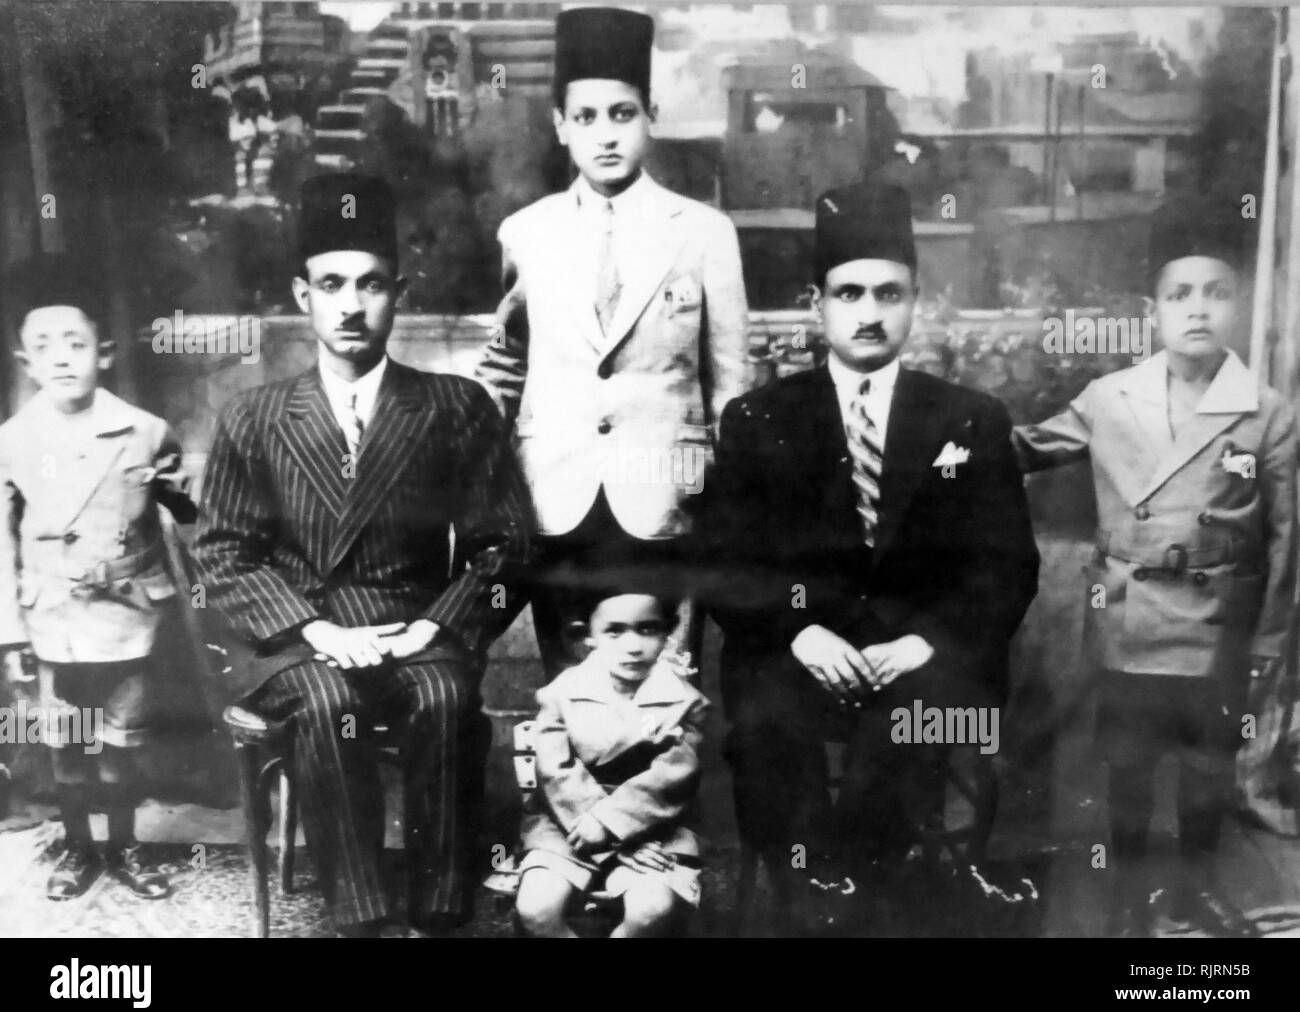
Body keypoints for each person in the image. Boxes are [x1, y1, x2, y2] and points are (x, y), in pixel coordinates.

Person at [193, 173, 532, 937]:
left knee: (445, 698)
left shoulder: (453, 406)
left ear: (399, 293)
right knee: (327, 701)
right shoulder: (256, 415)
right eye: (331, 284)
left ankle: (440, 910)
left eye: (371, 284)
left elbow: (505, 545)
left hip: (410, 631)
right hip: (299, 643)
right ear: (300, 295)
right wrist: (317, 632)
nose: (351, 304)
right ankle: (363, 916)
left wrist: (432, 630)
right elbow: (223, 553)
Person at [698, 181, 1039, 929]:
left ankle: (859, 892)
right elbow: (728, 562)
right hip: (800, 651)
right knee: (764, 725)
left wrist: (921, 642)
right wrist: (802, 633)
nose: (870, 312)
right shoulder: (760, 418)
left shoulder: (970, 419)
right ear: (815, 303)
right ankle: (817, 888)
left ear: (917, 300)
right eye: (848, 293)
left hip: (935, 668)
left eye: (890, 293)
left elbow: (1008, 567)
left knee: (913, 728)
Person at [1012, 193, 1297, 938]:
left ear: (1235, 307)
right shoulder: (1110, 397)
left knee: (1206, 777)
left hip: (1217, 628)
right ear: (1155, 310)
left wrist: (1267, 644)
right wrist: (944, 431)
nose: (1197, 309)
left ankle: (1192, 893)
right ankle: (1135, 899)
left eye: (1215, 292)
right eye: (1179, 294)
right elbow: (1024, 449)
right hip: (1130, 621)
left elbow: (1285, 543)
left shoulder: (1268, 412)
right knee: (1128, 771)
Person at [476, 6, 751, 682]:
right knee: (572, 693)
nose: (606, 136)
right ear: (560, 125)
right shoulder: (527, 233)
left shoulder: (704, 233)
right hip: (557, 499)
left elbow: (733, 384)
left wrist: (716, 492)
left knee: (664, 699)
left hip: (665, 501)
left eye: (622, 115)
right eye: (588, 117)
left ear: (651, 114)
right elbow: (506, 363)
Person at [0, 253, 197, 901]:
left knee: (120, 741)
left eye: (77, 344)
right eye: (44, 347)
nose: (62, 359)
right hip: (50, 621)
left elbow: (185, 511)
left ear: (105, 353)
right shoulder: (13, 442)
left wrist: (180, 495)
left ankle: (123, 846)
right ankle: (78, 849)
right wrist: (9, 635)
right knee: (66, 744)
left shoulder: (143, 431)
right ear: (24, 363)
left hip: (126, 616)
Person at [514, 567, 709, 938]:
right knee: (537, 909)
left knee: (650, 911)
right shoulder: (561, 694)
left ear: (668, 632)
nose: (633, 645)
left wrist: (613, 828)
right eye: (615, 631)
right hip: (566, 822)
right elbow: (555, 771)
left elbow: (672, 777)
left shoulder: (687, 702)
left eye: (648, 629)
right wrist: (597, 827)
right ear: (588, 636)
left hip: (652, 827)